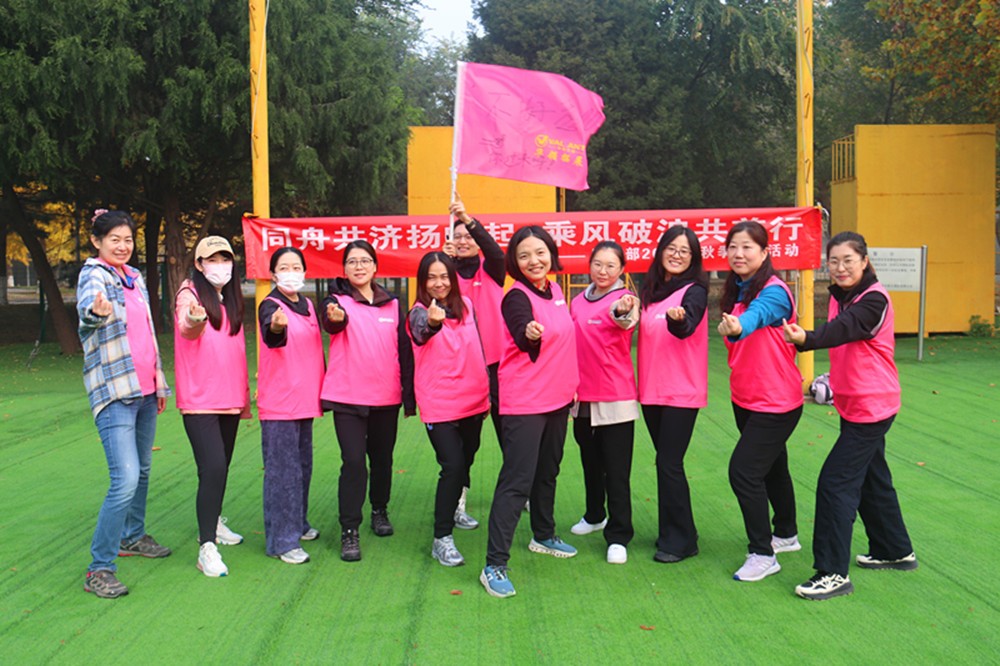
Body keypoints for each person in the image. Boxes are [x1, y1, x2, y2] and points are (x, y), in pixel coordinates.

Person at [783, 231, 917, 600]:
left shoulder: (874, 299)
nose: (840, 268)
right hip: (854, 403)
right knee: (873, 477)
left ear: (864, 261)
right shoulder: (841, 295)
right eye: (834, 262)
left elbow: (846, 328)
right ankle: (894, 549)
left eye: (848, 261)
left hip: (873, 406)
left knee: (835, 483)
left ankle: (832, 573)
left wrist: (808, 338)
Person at [76, 209, 171, 598]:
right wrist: (95, 314)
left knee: (143, 469)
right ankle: (99, 567)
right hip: (115, 392)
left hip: (145, 389)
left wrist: (159, 380)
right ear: (97, 241)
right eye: (114, 239)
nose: (122, 246)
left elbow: (146, 332)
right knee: (126, 478)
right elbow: (88, 313)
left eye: (127, 239)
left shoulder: (134, 277)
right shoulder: (94, 275)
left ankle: (133, 535)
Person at [481, 226, 580, 599]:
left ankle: (543, 534)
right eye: (524, 256)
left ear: (550, 253)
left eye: (539, 252)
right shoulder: (516, 297)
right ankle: (494, 564)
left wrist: (571, 386)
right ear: (515, 262)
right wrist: (530, 334)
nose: (534, 261)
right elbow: (522, 332)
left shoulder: (555, 290)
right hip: (525, 402)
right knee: (516, 481)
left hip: (558, 399)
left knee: (548, 471)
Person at [717, 220, 803, 582]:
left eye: (747, 247)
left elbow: (760, 314)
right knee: (773, 467)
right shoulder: (736, 290)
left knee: (743, 472)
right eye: (733, 247)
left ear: (765, 252)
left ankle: (763, 553)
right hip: (746, 398)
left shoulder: (774, 291)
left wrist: (740, 326)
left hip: (776, 401)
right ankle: (786, 533)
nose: (738, 253)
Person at [320, 241, 416, 562]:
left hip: (386, 398)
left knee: (382, 459)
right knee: (353, 462)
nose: (358, 266)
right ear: (344, 269)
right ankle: (350, 529)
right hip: (347, 398)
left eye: (364, 261)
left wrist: (408, 397)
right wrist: (335, 317)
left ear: (375, 266)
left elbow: (404, 350)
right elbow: (332, 321)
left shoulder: (393, 304)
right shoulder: (336, 301)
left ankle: (379, 509)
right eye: (352, 261)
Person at [407, 252, 490, 567]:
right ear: (422, 281)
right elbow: (422, 330)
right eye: (431, 277)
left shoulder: (467, 305)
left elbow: (477, 347)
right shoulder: (418, 313)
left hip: (474, 399)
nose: (438, 283)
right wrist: (433, 321)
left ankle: (456, 508)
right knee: (452, 466)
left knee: (466, 460)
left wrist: (486, 391)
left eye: (444, 276)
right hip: (440, 403)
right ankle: (442, 538)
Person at [174, 236, 249, 577]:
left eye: (225, 259)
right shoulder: (189, 294)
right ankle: (207, 547)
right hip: (200, 400)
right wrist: (195, 319)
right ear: (199, 264)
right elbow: (187, 328)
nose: (220, 266)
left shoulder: (230, 299)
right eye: (212, 260)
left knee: (221, 467)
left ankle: (214, 522)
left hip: (229, 398)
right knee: (213, 467)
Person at [638, 227, 708, 565]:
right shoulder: (649, 291)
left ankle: (679, 541)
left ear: (693, 258)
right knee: (665, 462)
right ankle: (679, 532)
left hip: (681, 391)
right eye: (671, 248)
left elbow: (688, 324)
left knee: (669, 463)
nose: (677, 255)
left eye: (685, 251)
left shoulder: (694, 291)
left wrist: (679, 321)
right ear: (661, 250)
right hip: (651, 390)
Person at [569, 241, 639, 565]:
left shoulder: (625, 299)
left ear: (622, 269)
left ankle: (619, 535)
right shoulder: (577, 301)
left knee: (616, 469)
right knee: (590, 460)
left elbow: (623, 317)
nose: (603, 271)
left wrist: (622, 309)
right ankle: (595, 514)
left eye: (611, 266)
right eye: (598, 264)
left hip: (614, 395)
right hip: (580, 395)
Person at [443, 196, 507, 530]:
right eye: (457, 236)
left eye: (468, 235)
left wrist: (467, 218)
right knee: (468, 440)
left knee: (510, 432)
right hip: (463, 368)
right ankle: (459, 498)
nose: (463, 240)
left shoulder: (492, 268)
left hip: (498, 365)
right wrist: (443, 262)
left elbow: (496, 252)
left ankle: (519, 490)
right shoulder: (447, 276)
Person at [258, 247, 325, 565]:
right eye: (284, 267)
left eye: (296, 266)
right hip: (281, 402)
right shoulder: (270, 305)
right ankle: (282, 541)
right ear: (273, 274)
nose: (291, 272)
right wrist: (276, 326)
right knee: (283, 472)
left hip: (305, 400)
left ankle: (298, 523)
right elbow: (272, 336)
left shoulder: (308, 305)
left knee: (302, 467)